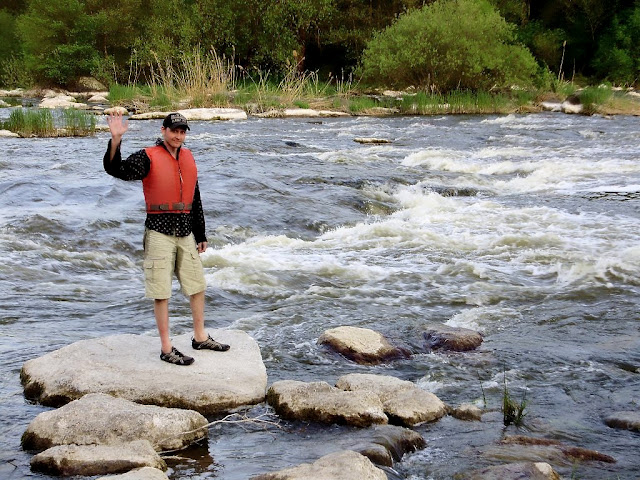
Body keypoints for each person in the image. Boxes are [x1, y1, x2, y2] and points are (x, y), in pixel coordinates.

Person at [104, 111, 230, 365]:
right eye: (174, 131)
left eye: (182, 132)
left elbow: (194, 198)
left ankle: (200, 337)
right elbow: (116, 169)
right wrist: (116, 140)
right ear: (163, 131)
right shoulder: (147, 156)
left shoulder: (188, 157)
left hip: (185, 231)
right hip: (159, 232)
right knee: (161, 292)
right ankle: (166, 347)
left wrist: (201, 233)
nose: (178, 135)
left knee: (197, 286)